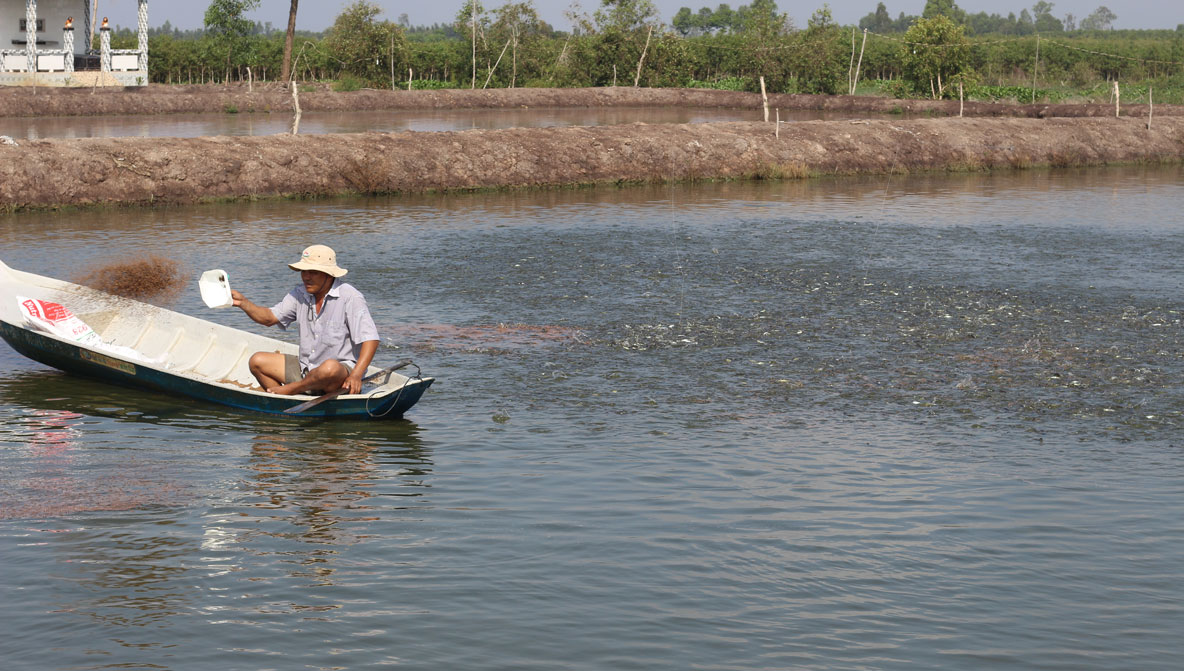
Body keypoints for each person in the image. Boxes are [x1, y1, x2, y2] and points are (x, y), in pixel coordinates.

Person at [231, 244, 380, 396]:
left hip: (339, 375)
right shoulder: (299, 294)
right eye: (304, 271)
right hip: (307, 370)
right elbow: (269, 318)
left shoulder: (350, 296)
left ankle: (291, 390)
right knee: (257, 361)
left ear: (328, 275)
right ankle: (286, 398)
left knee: (329, 368)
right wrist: (243, 303)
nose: (306, 277)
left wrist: (356, 375)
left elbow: (371, 339)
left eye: (313, 272)